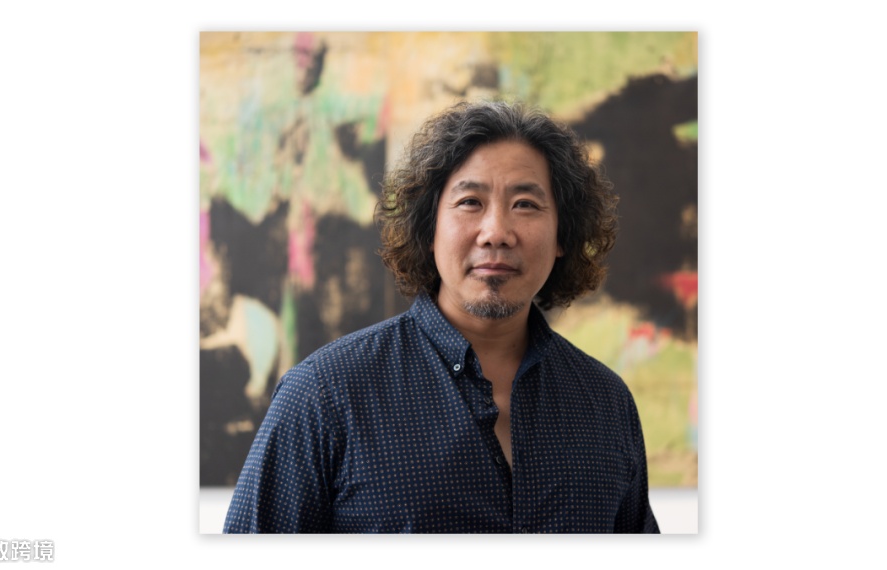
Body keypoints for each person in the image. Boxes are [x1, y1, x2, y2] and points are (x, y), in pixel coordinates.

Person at [223, 101, 659, 533]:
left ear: (563, 234)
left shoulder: (606, 404)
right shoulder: (325, 394)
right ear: (428, 228)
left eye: (525, 204)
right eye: (470, 201)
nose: (496, 233)